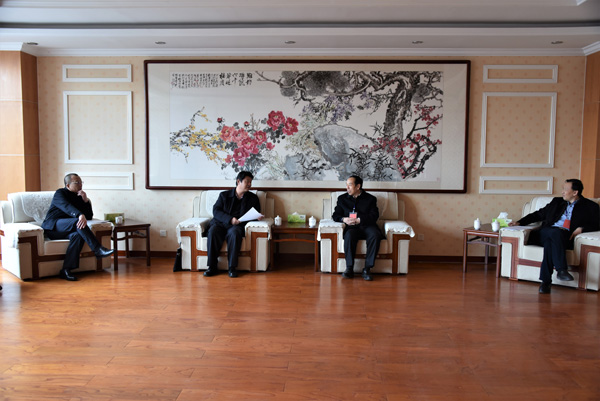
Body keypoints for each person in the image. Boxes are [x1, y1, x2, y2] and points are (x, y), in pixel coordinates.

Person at [509, 179, 599, 294]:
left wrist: (582, 229)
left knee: (550, 244)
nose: (562, 192)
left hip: (565, 238)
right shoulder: (557, 202)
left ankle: (545, 282)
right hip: (546, 232)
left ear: (575, 192)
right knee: (555, 233)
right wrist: (520, 222)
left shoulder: (590, 206)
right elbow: (538, 214)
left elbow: (597, 224)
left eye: (565, 189)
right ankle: (561, 269)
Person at [41, 173, 114, 281]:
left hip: (68, 228)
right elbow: (66, 207)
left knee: (78, 235)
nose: (80, 184)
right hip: (53, 227)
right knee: (78, 222)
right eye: (77, 182)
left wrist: (85, 200)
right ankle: (98, 249)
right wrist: (79, 215)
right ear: (68, 185)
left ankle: (66, 270)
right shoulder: (60, 193)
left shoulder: (79, 196)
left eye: (81, 182)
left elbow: (88, 216)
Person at [204, 171, 263, 278]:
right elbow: (216, 211)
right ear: (238, 181)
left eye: (250, 182)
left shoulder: (253, 198)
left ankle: (232, 267)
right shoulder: (224, 195)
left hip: (237, 226)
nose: (249, 184)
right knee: (213, 231)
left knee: (235, 234)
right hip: (221, 223)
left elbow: (256, 212)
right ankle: (212, 267)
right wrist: (230, 219)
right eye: (247, 181)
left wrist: (257, 217)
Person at [332, 175, 383, 281]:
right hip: (352, 227)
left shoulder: (370, 199)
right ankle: (349, 268)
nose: (347, 188)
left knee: (375, 235)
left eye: (350, 185)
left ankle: (367, 269)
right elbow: (335, 215)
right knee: (349, 235)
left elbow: (374, 216)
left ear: (358, 186)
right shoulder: (342, 199)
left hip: (367, 225)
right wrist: (344, 219)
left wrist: (359, 220)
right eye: (346, 185)